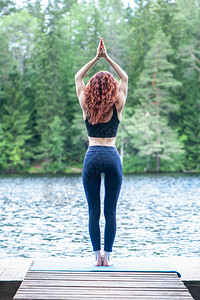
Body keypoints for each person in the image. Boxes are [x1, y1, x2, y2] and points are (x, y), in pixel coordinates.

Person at [75, 38, 128, 266]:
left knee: (93, 211)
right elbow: (125, 77)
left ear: (91, 89)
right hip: (112, 156)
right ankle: (109, 257)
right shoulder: (118, 104)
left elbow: (78, 77)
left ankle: (97, 257)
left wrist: (95, 58)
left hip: (93, 156)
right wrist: (107, 58)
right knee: (110, 211)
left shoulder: (86, 104)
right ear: (112, 88)